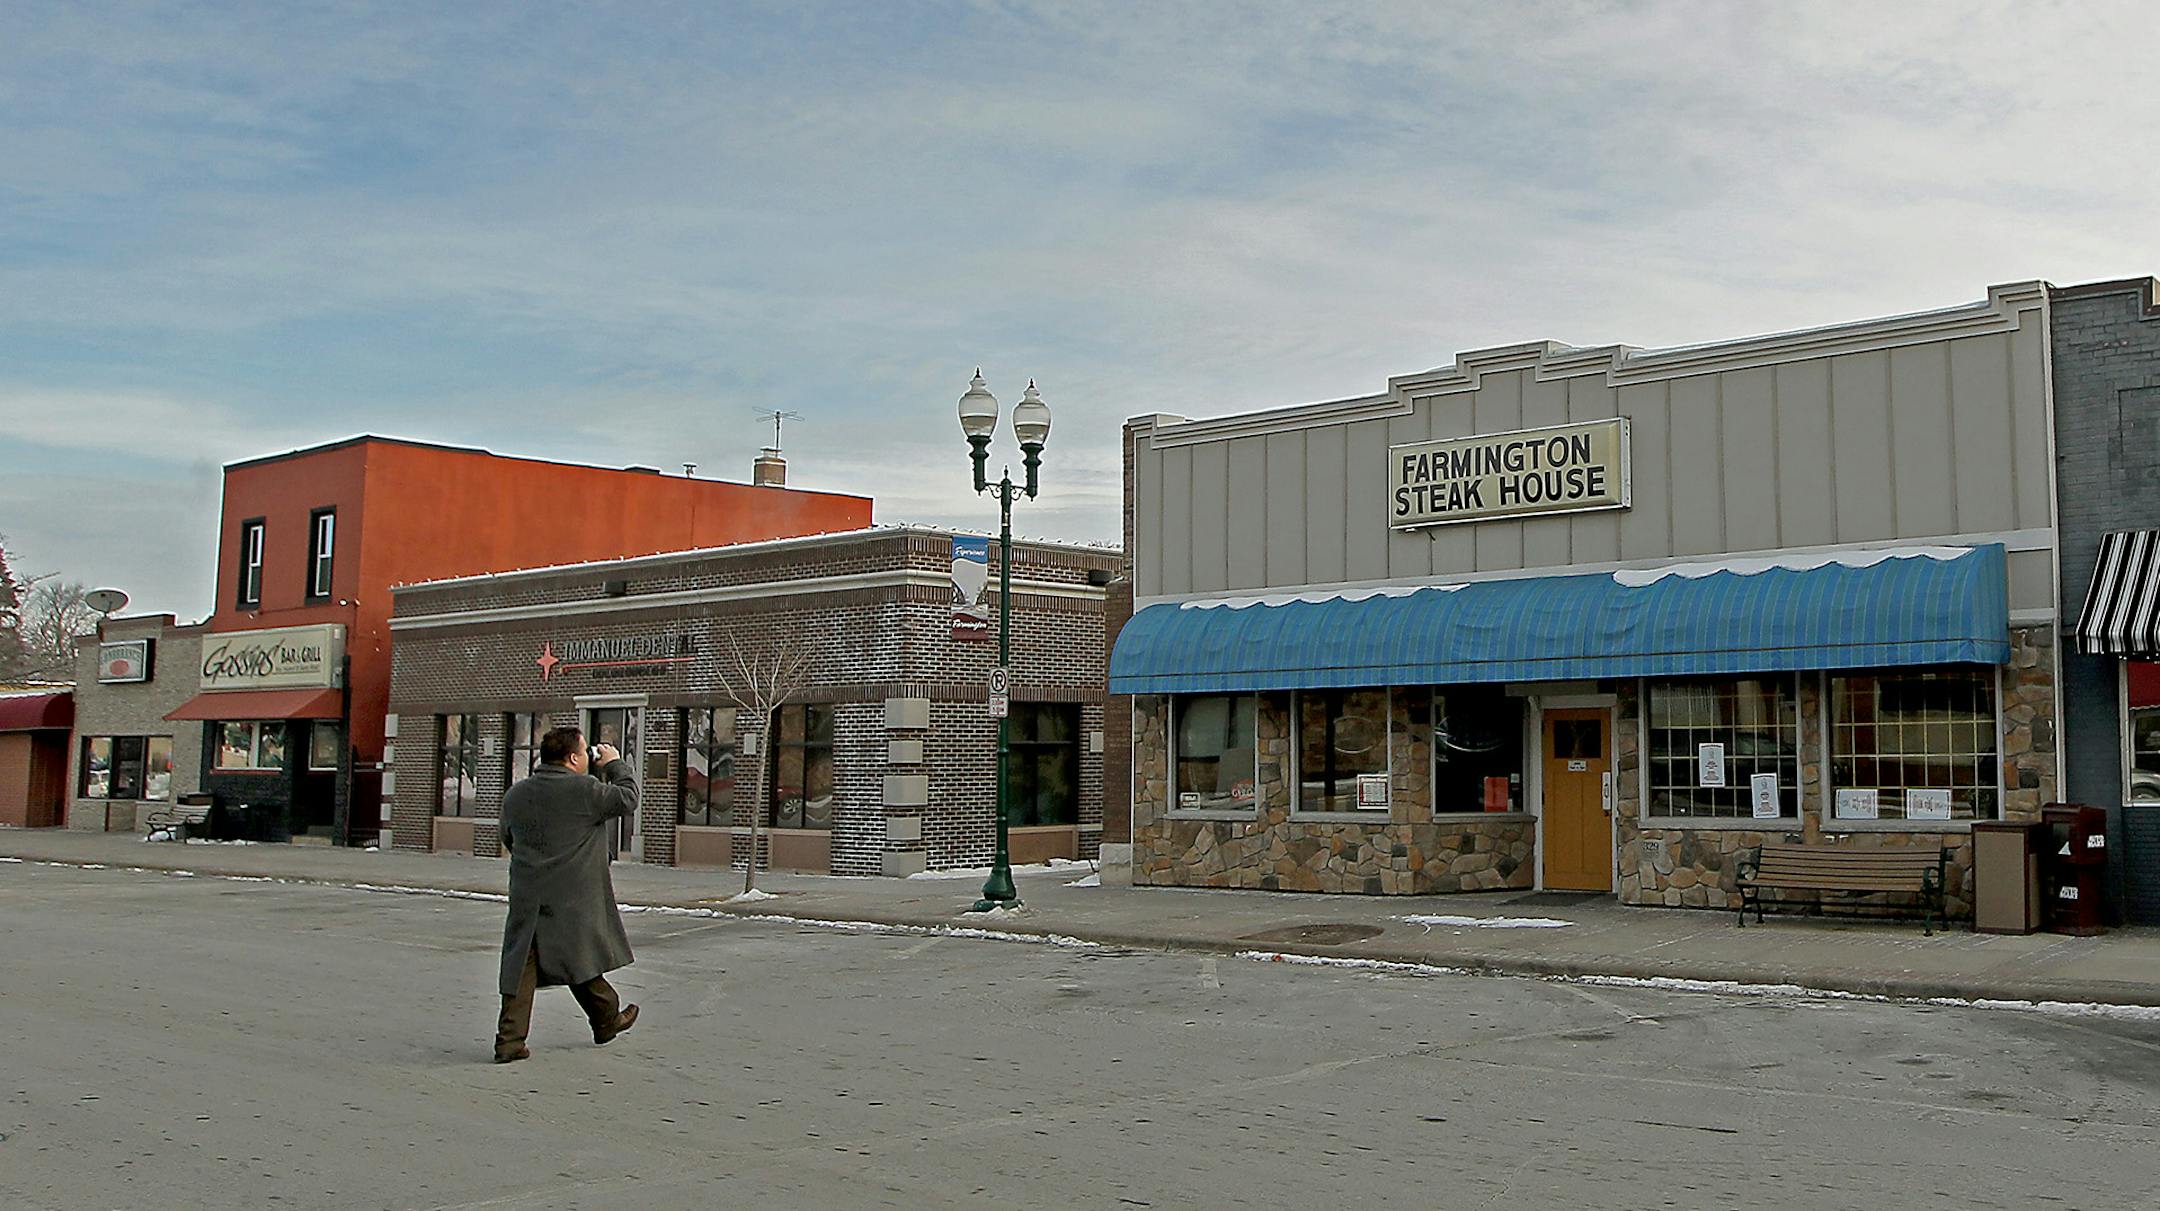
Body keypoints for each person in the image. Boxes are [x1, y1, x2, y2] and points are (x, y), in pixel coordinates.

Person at [493, 726, 641, 1063]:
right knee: (577, 956)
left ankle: (510, 1042)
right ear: (574, 757)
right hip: (573, 894)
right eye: (586, 752)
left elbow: (508, 837)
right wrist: (615, 763)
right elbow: (628, 797)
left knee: (523, 965)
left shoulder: (516, 794)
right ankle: (606, 1019)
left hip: (528, 892)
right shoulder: (584, 790)